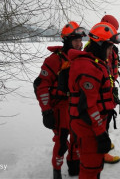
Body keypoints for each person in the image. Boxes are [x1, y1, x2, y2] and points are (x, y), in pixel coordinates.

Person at [68, 22, 120, 179]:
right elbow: (88, 107)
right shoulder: (88, 68)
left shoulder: (94, 62)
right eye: (109, 47)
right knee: (90, 167)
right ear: (100, 45)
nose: (111, 52)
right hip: (88, 126)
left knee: (95, 163)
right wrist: (100, 134)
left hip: (91, 124)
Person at [33, 21, 86, 179]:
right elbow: (40, 85)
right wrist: (46, 111)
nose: (79, 44)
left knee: (78, 140)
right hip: (60, 108)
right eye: (75, 40)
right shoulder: (53, 61)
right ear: (67, 41)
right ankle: (57, 170)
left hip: (78, 107)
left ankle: (74, 167)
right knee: (62, 143)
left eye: (80, 40)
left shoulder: (83, 59)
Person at [100, 14, 120, 164]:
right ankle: (102, 151)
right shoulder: (98, 46)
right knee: (101, 121)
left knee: (106, 120)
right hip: (101, 91)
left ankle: (104, 144)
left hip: (109, 87)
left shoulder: (109, 46)